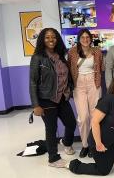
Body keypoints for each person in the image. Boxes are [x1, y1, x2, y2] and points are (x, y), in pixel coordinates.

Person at [29, 28, 76, 168]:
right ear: (42, 39)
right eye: (47, 37)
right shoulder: (38, 57)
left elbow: (67, 75)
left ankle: (66, 143)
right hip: (46, 99)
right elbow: (32, 81)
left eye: (54, 37)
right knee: (51, 128)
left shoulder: (61, 55)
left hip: (62, 97)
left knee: (71, 123)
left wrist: (70, 89)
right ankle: (53, 158)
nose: (51, 40)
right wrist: (35, 105)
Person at [67, 28, 103, 158]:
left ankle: (94, 144)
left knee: (95, 116)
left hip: (94, 83)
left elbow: (101, 67)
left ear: (91, 39)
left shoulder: (97, 51)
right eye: (82, 37)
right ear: (79, 39)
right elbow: (69, 69)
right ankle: (85, 145)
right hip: (79, 84)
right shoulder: (72, 52)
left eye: (87, 37)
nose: (85, 39)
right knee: (83, 117)